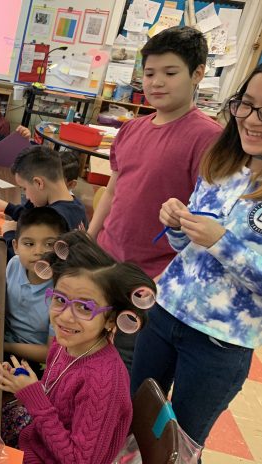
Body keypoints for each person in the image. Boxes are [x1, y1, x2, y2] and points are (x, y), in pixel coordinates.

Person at [131, 64, 262, 449]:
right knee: (135, 423)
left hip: (219, 343)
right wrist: (176, 222)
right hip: (164, 313)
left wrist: (221, 241)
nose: (252, 121)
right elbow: (185, 251)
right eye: (247, 105)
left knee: (179, 446)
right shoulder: (221, 167)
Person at [87, 26, 222, 371]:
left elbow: (209, 219)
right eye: (149, 73)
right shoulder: (132, 128)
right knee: (87, 346)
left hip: (152, 278)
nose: (156, 82)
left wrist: (166, 280)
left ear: (198, 74)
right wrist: (87, 242)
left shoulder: (208, 139)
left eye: (170, 72)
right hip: (104, 260)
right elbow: (114, 190)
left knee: (126, 366)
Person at [0, 231, 156, 462]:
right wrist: (26, 384)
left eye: (85, 308)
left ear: (111, 320)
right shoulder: (63, 343)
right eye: (59, 300)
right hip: (33, 437)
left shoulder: (102, 382)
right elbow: (56, 396)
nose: (66, 317)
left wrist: (32, 394)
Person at [0, 147, 87, 262]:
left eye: (24, 188)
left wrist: (9, 235)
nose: (26, 196)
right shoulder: (77, 205)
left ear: (38, 183)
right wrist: (9, 208)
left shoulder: (53, 218)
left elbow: (29, 264)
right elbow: (35, 219)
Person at [5, 207, 69, 377]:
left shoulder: (62, 295)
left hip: (34, 360)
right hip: (4, 338)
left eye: (49, 244)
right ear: (16, 246)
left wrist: (5, 346)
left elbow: (50, 353)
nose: (38, 251)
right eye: (29, 244)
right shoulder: (14, 264)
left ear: (62, 250)